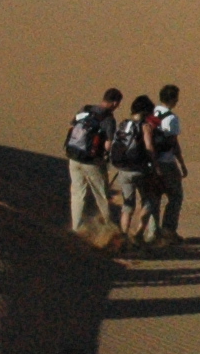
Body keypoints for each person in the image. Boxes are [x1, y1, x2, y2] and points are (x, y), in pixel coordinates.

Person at [66, 88, 122, 232]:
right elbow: (108, 144)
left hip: (74, 157)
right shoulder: (108, 119)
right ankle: (109, 227)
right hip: (92, 162)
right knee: (101, 195)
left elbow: (72, 125)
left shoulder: (85, 109)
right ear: (115, 103)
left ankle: (76, 228)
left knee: (77, 194)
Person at [108, 92, 158, 244]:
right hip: (140, 170)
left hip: (123, 170)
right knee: (149, 201)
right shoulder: (144, 126)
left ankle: (123, 236)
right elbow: (149, 147)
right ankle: (139, 234)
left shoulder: (123, 125)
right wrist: (154, 165)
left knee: (128, 205)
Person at [147, 82, 189, 246]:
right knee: (176, 196)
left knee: (154, 198)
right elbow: (173, 143)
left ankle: (152, 233)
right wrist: (182, 163)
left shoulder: (151, 114)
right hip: (166, 162)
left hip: (150, 162)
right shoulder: (171, 118)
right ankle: (168, 232)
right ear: (173, 99)